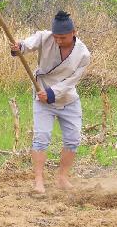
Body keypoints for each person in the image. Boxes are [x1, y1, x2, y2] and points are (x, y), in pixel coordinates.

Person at [11, 11, 92, 196]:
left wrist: (52, 93)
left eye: (62, 37)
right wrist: (19, 47)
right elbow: (28, 44)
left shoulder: (83, 54)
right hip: (42, 95)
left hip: (67, 98)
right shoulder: (45, 37)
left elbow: (71, 81)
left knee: (73, 139)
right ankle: (39, 182)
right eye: (56, 37)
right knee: (41, 137)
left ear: (74, 33)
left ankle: (62, 178)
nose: (58, 41)